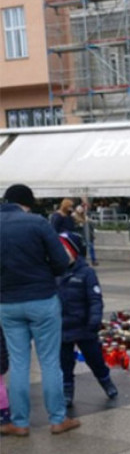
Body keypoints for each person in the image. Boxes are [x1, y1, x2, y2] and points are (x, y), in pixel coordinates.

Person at [0, 184, 80, 436]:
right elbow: (60, 261)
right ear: (27, 203)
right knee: (49, 361)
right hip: (42, 299)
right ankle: (58, 419)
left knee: (19, 362)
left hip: (8, 303)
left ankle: (20, 422)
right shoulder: (37, 223)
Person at [56, 232, 117, 407]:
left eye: (64, 249)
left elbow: (95, 299)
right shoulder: (53, 272)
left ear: (73, 251)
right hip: (62, 328)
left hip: (84, 326)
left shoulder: (86, 273)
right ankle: (67, 390)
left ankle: (106, 381)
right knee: (64, 364)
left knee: (95, 358)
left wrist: (94, 321)